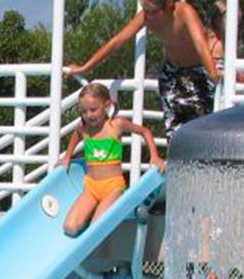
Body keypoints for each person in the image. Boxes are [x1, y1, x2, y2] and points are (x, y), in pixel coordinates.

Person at [65, 0, 223, 132]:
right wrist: (85, 67)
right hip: (172, 73)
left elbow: (201, 45)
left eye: (152, 11)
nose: (149, 16)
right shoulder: (146, 17)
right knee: (174, 127)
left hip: (197, 71)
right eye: (145, 9)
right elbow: (116, 42)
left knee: (201, 125)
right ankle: (176, 164)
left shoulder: (185, 12)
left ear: (168, 4)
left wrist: (212, 72)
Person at [58, 83, 164, 237]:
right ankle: (92, 213)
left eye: (93, 110)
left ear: (106, 106)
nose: (89, 115)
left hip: (112, 187)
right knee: (70, 228)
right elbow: (75, 136)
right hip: (91, 187)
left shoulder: (116, 125)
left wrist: (154, 156)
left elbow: (144, 131)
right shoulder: (84, 128)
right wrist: (67, 157)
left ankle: (101, 213)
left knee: (97, 226)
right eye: (84, 111)